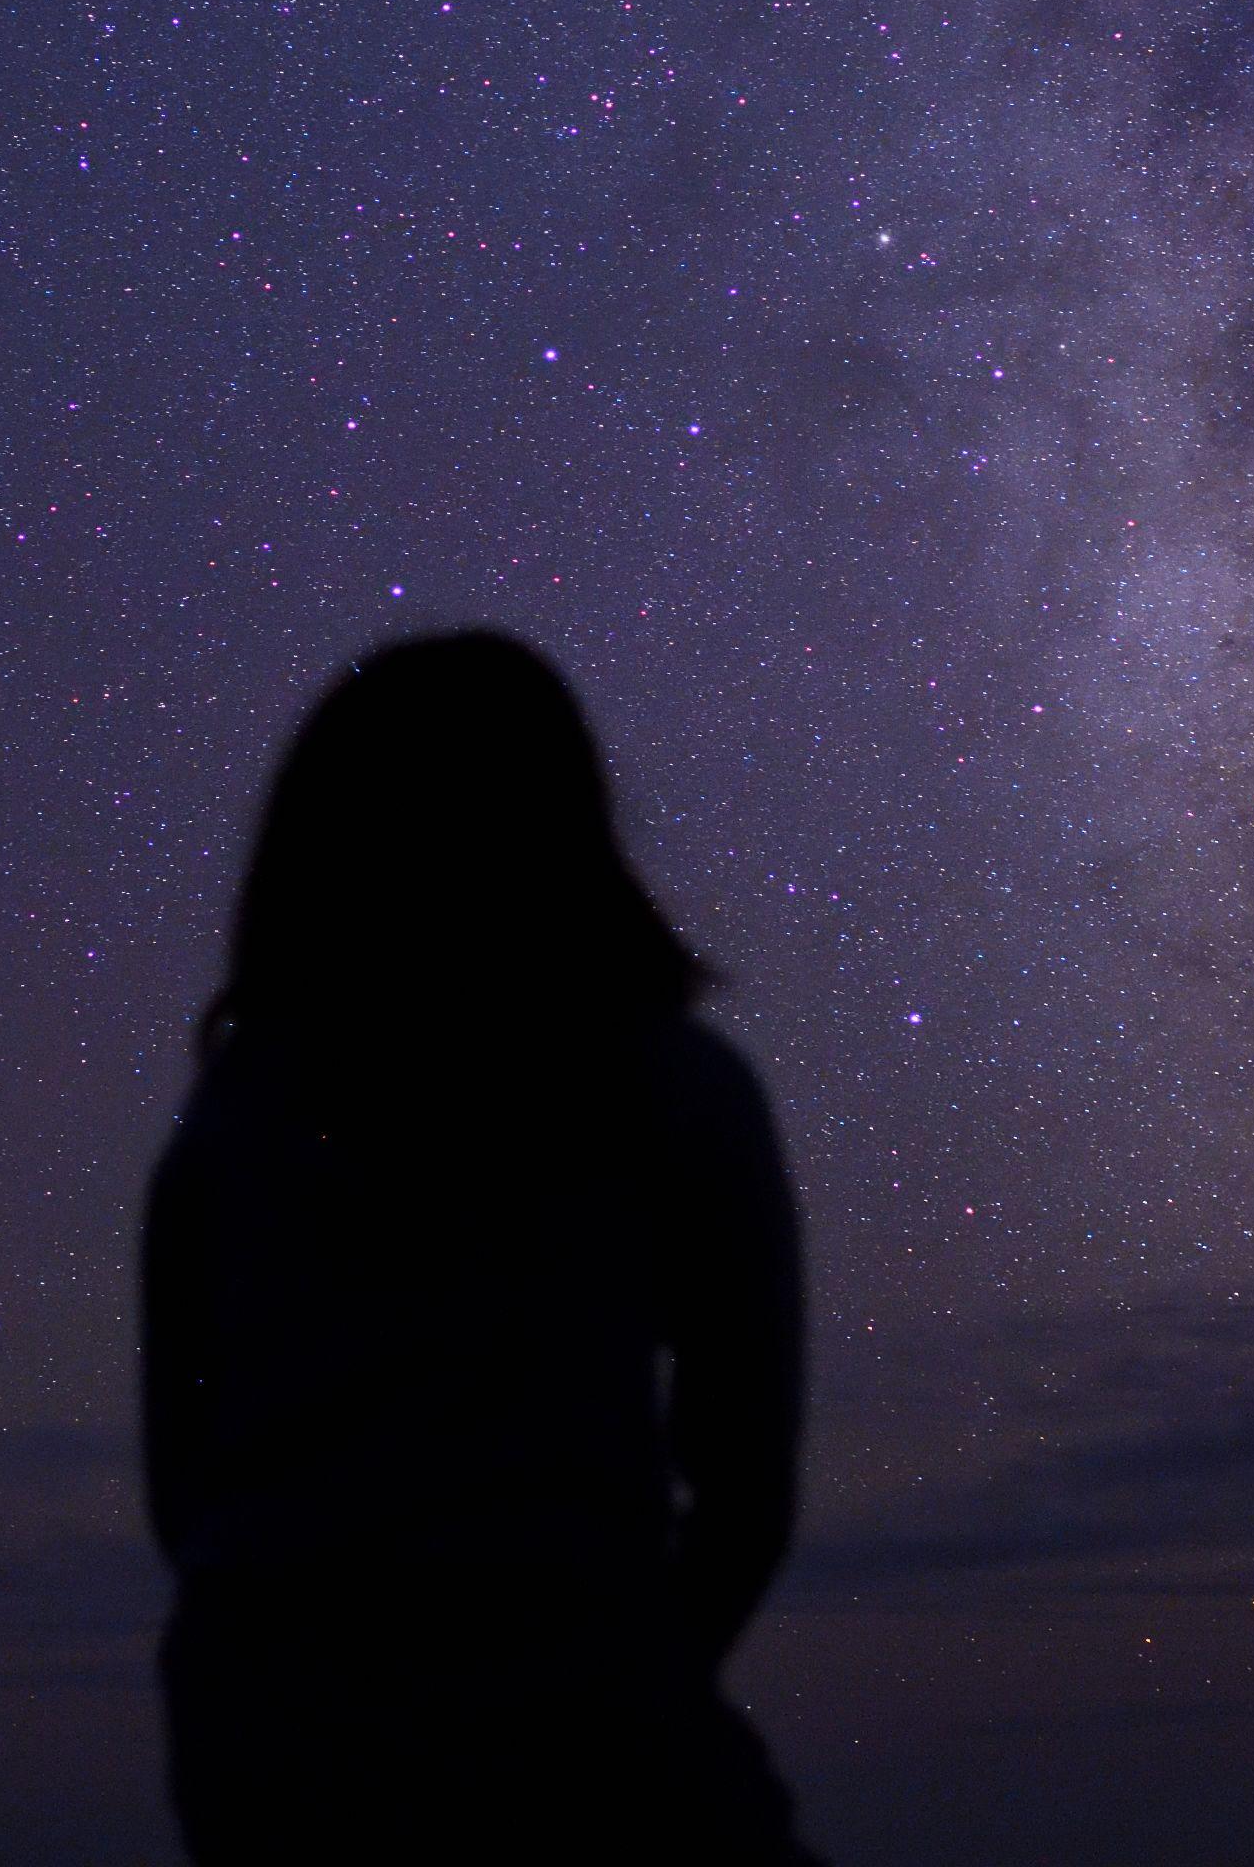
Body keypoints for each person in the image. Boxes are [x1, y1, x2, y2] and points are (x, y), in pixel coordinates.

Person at [141, 631, 813, 1866]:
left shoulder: (239, 1111)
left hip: (266, 1727)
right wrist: (619, 1687)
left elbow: (183, 1472)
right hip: (564, 1695)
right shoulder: (673, 1087)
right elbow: (749, 1484)